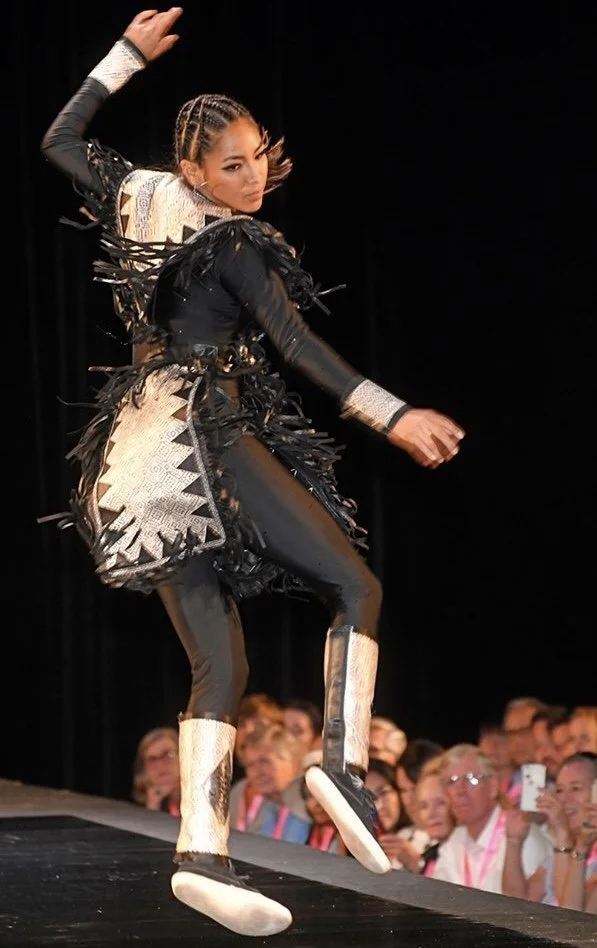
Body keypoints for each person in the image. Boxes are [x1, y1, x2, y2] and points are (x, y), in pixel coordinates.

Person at [40, 7, 465, 938]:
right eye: (231, 165)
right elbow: (296, 344)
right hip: (203, 437)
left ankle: (200, 854)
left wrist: (122, 60)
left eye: (259, 157)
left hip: (133, 458)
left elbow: (62, 139)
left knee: (218, 662)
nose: (254, 177)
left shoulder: (144, 199)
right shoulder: (231, 241)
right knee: (353, 585)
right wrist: (396, 418)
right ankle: (343, 771)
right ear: (196, 172)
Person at [131, 726, 181, 815]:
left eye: (168, 754)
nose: (160, 764)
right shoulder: (131, 813)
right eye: (152, 759)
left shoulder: (204, 802)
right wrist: (152, 807)